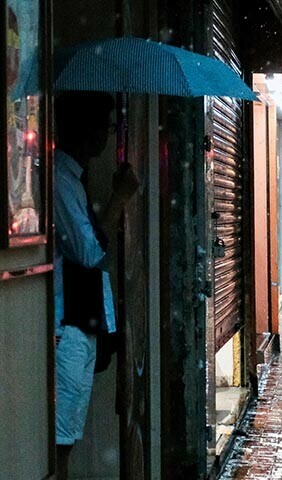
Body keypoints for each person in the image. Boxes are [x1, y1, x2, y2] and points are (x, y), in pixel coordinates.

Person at [53, 91, 139, 479]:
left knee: (68, 431)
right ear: (88, 131)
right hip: (68, 325)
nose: (108, 135)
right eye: (106, 127)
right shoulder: (59, 180)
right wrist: (119, 199)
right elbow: (88, 252)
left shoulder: (73, 179)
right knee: (61, 439)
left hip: (81, 324)